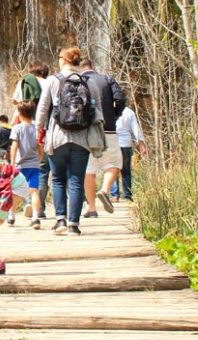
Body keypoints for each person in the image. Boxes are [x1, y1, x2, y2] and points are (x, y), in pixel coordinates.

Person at [35, 45, 104, 236]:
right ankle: (74, 224)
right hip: (82, 139)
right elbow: (97, 110)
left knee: (57, 179)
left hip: (57, 138)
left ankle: (60, 220)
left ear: (64, 60)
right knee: (76, 180)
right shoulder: (89, 82)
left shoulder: (53, 80)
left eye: (59, 57)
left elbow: (42, 110)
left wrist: (38, 134)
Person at [78, 57, 126, 218]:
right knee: (114, 163)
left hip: (87, 131)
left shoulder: (79, 81)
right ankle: (105, 190)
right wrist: (114, 115)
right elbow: (120, 99)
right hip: (108, 129)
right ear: (93, 66)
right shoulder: (107, 79)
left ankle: (91, 208)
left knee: (88, 170)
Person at [12, 100, 44, 229]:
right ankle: (36, 217)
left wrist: (12, 162)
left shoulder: (17, 128)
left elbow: (14, 146)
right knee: (34, 191)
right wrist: (39, 159)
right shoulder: (37, 129)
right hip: (34, 165)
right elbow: (41, 147)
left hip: (20, 166)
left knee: (16, 191)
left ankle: (11, 215)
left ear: (19, 113)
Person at [112, 105, 146, 201]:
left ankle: (115, 195)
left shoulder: (108, 110)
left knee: (113, 168)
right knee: (126, 170)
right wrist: (141, 143)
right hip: (126, 144)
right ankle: (127, 195)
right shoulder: (129, 112)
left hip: (113, 143)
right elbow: (136, 129)